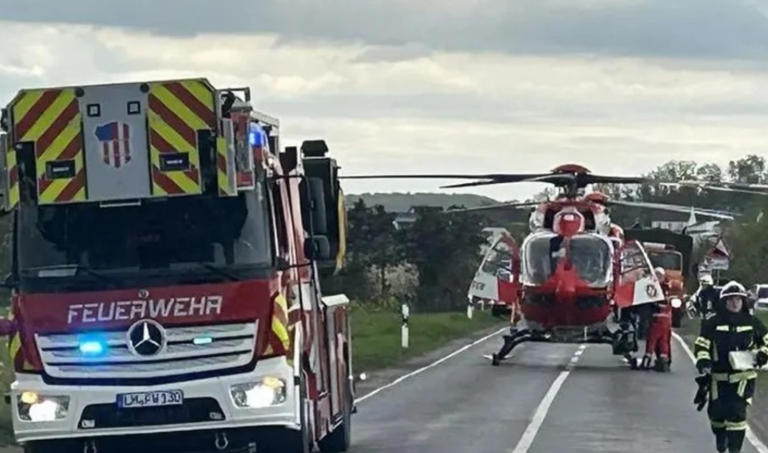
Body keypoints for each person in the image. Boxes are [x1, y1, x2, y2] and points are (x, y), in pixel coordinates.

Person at [694, 281, 768, 453]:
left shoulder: (752, 322)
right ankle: (721, 437)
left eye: (738, 299)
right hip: (718, 377)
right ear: (724, 302)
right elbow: (702, 344)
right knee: (716, 415)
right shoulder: (712, 322)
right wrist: (703, 361)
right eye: (730, 299)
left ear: (743, 302)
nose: (735, 303)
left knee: (736, 412)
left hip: (743, 377)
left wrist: (763, 354)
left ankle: (735, 449)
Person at [641, 267, 672, 371]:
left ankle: (647, 359)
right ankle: (664, 360)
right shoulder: (667, 287)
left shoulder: (655, 287)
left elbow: (651, 301)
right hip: (666, 319)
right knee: (663, 341)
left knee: (652, 340)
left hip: (657, 318)